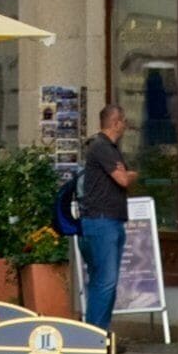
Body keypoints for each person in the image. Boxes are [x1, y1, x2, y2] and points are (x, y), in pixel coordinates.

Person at [78, 104, 136, 332]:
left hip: (106, 221)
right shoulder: (101, 146)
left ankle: (98, 333)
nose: (126, 125)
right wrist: (131, 175)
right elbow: (123, 179)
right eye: (124, 121)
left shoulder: (107, 147)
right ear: (115, 122)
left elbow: (121, 176)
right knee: (106, 281)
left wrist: (126, 174)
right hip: (102, 222)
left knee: (102, 281)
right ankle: (96, 334)